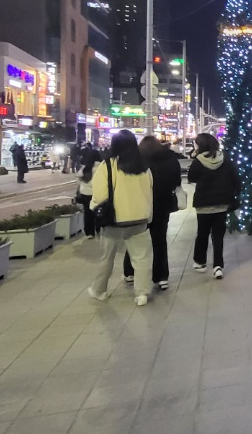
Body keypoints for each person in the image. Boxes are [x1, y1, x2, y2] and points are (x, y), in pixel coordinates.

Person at [86, 130, 154, 306]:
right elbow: (149, 192)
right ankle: (142, 293)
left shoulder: (107, 165)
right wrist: (148, 215)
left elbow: (100, 195)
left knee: (107, 257)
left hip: (114, 221)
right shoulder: (144, 166)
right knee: (142, 258)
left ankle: (99, 290)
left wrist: (93, 206)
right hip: (139, 219)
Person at [122, 136, 181, 290]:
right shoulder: (169, 159)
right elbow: (176, 181)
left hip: (140, 205)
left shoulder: (136, 161)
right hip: (162, 205)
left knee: (135, 239)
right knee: (160, 240)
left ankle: (130, 272)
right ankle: (161, 277)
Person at [187, 131, 242, 279]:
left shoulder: (198, 161)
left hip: (203, 205)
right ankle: (218, 266)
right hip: (221, 204)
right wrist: (233, 194)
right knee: (218, 236)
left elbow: (191, 178)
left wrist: (193, 157)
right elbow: (236, 179)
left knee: (202, 233)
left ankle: (200, 261)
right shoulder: (225, 159)